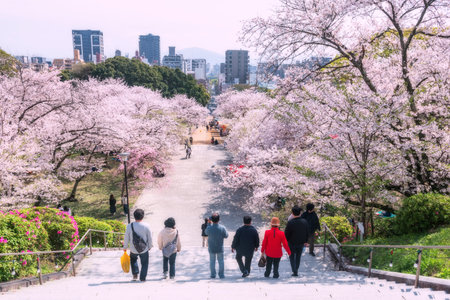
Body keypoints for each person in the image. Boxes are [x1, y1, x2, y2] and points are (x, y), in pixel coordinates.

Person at [123, 209, 153, 282]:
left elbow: (126, 237)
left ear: (134, 216)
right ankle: (142, 277)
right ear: (142, 216)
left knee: (133, 260)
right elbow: (150, 237)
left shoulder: (129, 226)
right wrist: (150, 246)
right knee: (145, 263)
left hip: (133, 248)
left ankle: (135, 274)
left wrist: (125, 247)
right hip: (144, 248)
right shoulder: (146, 226)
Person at [285, 206, 309, 276]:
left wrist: (286, 241)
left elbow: (287, 233)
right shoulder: (305, 222)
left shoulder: (290, 222)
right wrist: (306, 241)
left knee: (291, 256)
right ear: (300, 213)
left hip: (291, 242)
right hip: (301, 242)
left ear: (292, 213)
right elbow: (307, 232)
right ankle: (296, 270)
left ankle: (294, 270)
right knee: (298, 256)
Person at [205, 213, 228, 279]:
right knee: (221, 261)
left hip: (211, 247)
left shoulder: (209, 228)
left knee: (212, 261)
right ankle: (221, 275)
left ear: (211, 219)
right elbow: (226, 235)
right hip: (220, 247)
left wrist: (209, 223)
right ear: (219, 219)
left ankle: (213, 275)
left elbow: (206, 233)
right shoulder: (222, 227)